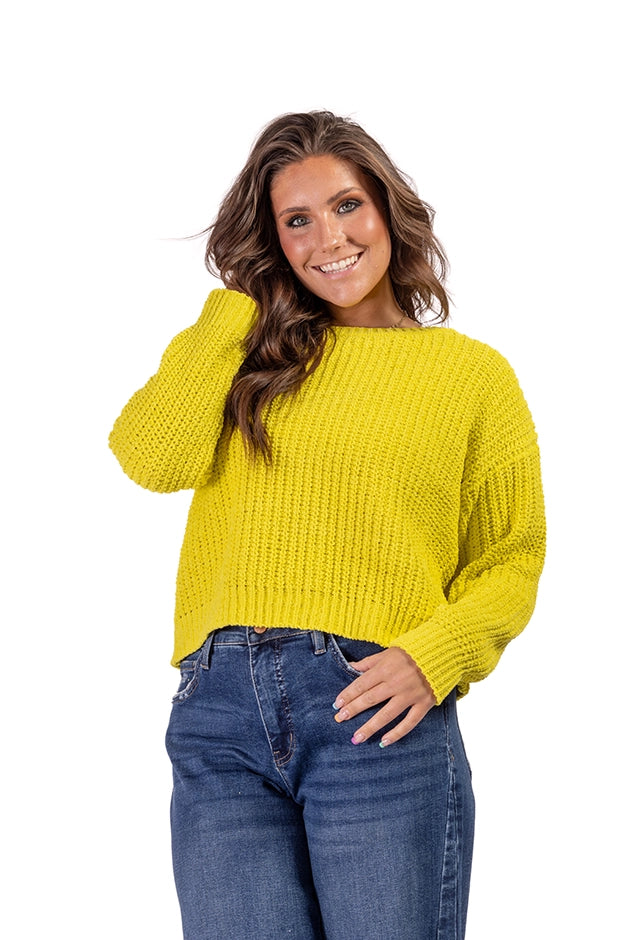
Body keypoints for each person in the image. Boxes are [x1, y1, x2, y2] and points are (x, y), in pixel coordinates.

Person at [109, 110, 545, 940]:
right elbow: (152, 458)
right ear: (271, 241)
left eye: (347, 206)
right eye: (297, 221)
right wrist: (234, 310)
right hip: (218, 713)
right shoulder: (243, 357)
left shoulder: (471, 376)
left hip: (370, 704)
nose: (329, 238)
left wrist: (433, 656)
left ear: (387, 209)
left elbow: (510, 559)